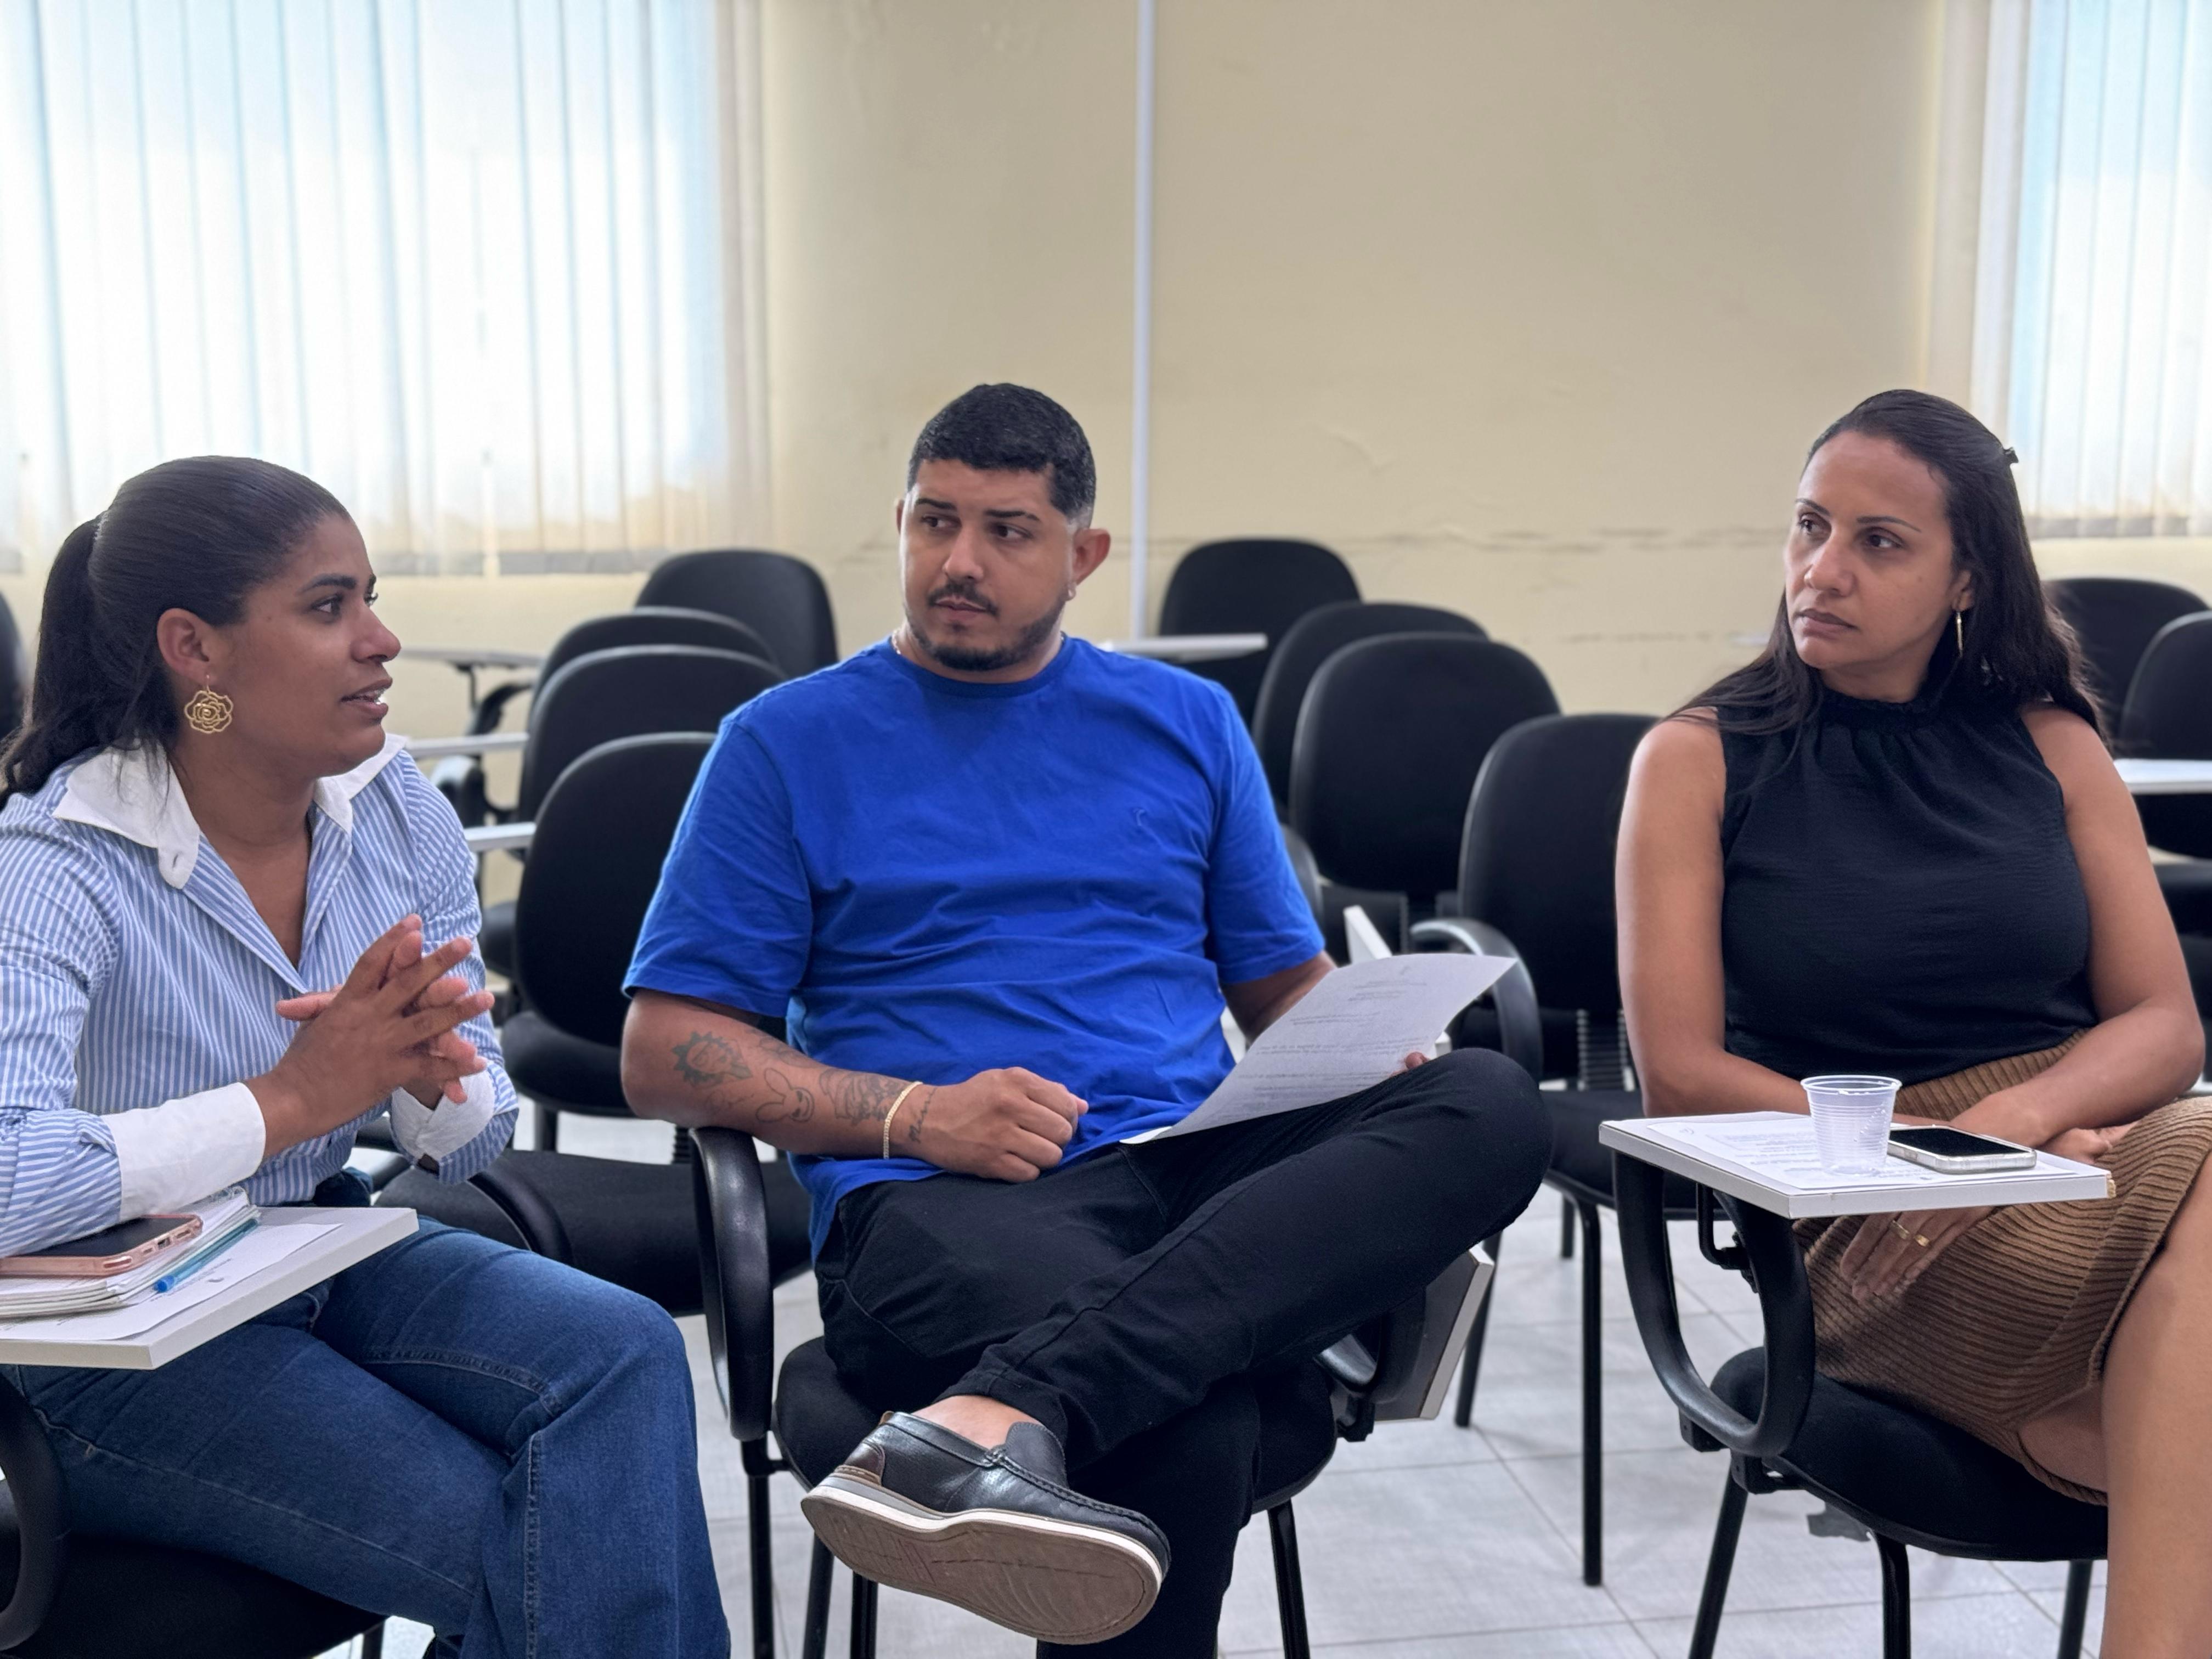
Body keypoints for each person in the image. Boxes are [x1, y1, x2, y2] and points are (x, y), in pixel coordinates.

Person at [622, 382, 1549, 1654]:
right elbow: (664, 1052)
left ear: (1084, 554)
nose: (959, 561)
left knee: (1488, 1101)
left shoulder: (1185, 722)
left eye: (1006, 530)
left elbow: (1281, 990)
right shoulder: (784, 743)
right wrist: (917, 1115)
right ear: (900, 523)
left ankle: (997, 1417)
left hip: (1188, 1170)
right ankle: (1104, 1381)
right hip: (940, 1203)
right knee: (1193, 1415)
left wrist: (1369, 1043)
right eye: (935, 521)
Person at [0, 458, 728, 1657]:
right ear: (196, 649)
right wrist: (292, 1098)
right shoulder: (59, 856)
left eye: (370, 598)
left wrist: (433, 1075)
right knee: (549, 1548)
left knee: (627, 1348)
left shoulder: (395, 807)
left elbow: (476, 1136)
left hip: (311, 1246)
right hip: (115, 1350)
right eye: (329, 606)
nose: (383, 641)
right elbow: (12, 1180)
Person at [1618, 390, 2212, 1659]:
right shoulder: (1696, 758)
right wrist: (1945, 1152)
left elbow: (2166, 1024)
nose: (1821, 571)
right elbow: (1680, 1078)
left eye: (1879, 541)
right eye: (1810, 526)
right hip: (1860, 1205)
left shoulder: (2053, 745)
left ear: (1967, 579)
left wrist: (2020, 1124)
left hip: (2082, 1153)